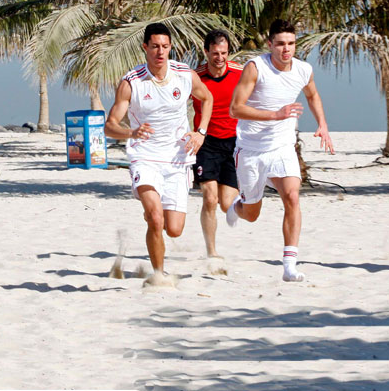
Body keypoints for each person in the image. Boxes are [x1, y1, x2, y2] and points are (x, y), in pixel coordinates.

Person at [105, 22, 213, 286]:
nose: (160, 52)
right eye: (155, 46)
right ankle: (158, 274)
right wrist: (131, 132)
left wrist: (201, 132)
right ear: (145, 47)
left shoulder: (184, 74)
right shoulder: (132, 82)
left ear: (170, 47)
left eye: (165, 46)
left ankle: (153, 217)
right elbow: (109, 126)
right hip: (145, 156)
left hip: (177, 158)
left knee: (174, 229)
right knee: (156, 218)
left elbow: (207, 98)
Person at [227, 19, 334, 282]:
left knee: (292, 197)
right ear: (270, 44)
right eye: (280, 44)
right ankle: (237, 206)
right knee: (251, 214)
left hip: (282, 147)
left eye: (291, 43)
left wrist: (322, 124)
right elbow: (235, 109)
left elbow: (312, 95)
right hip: (250, 150)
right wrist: (275, 114)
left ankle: (289, 266)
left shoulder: (303, 70)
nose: (286, 49)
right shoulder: (256, 68)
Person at [191, 30, 243, 258]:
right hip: (206, 143)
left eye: (224, 53)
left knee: (226, 204)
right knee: (210, 199)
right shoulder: (195, 77)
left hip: (235, 144)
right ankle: (211, 251)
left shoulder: (240, 73)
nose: (220, 58)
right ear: (206, 52)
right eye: (215, 53)